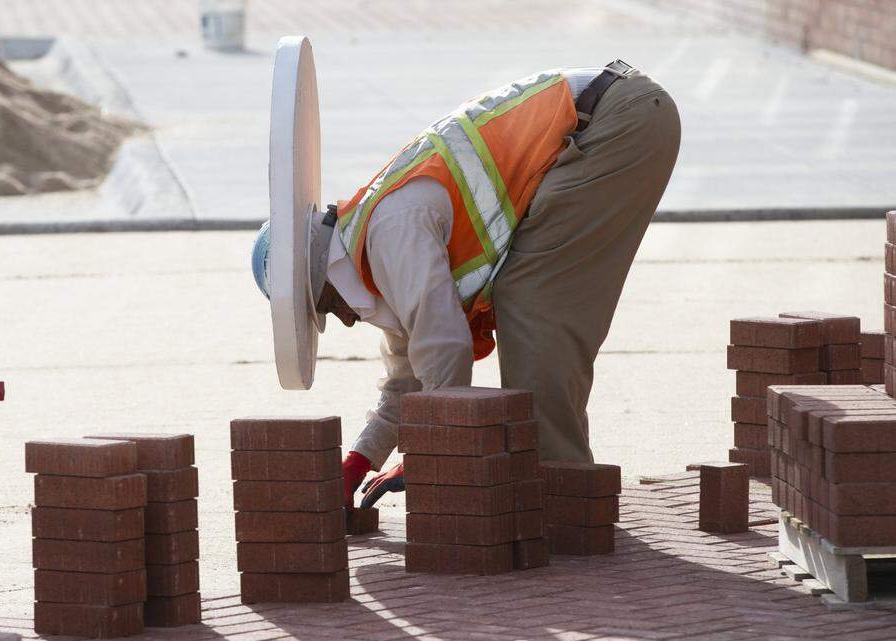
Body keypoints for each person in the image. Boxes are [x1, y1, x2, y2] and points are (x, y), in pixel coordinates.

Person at [252, 60, 681, 509]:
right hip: (617, 117)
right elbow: (410, 381)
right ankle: (559, 497)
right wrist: (358, 462)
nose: (340, 322)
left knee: (530, 305)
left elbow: (444, 349)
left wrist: (431, 452)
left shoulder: (391, 231)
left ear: (323, 277)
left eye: (321, 307)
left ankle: (564, 508)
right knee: (525, 299)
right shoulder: (375, 257)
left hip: (618, 121)